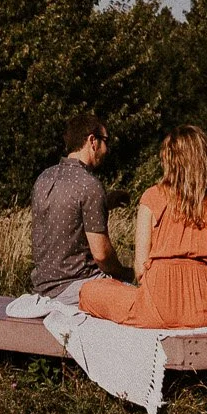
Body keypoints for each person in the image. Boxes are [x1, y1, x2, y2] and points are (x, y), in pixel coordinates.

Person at [78, 125, 207, 329]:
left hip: (157, 308)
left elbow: (140, 269)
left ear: (169, 161)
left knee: (90, 291)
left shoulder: (153, 196)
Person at [29, 113, 129, 301]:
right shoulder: (89, 185)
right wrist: (124, 272)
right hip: (78, 286)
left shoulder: (44, 178)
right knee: (139, 296)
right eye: (105, 141)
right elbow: (102, 256)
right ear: (93, 141)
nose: (107, 149)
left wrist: (106, 202)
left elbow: (67, 212)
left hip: (43, 287)